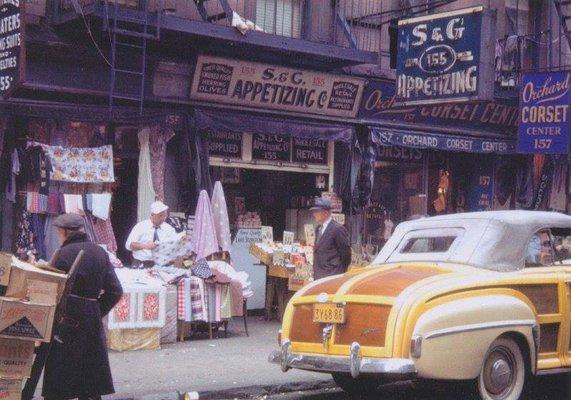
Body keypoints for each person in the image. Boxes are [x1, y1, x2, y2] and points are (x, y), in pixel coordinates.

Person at [42, 213, 123, 400]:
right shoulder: (100, 252)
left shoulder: (63, 254)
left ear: (64, 232)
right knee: (90, 376)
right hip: (91, 320)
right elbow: (115, 291)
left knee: (61, 377)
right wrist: (95, 309)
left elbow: (51, 291)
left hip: (66, 320)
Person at [125, 200, 178, 268]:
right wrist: (145, 246)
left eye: (165, 216)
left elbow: (176, 246)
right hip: (141, 263)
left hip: (162, 264)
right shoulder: (140, 226)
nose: (163, 218)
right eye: (160, 216)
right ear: (152, 215)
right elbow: (129, 245)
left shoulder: (169, 229)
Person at [311, 197, 351, 280]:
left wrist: (338, 271)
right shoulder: (318, 229)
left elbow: (346, 254)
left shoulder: (337, 229)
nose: (314, 214)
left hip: (332, 275)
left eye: (316, 212)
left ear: (325, 213)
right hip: (318, 275)